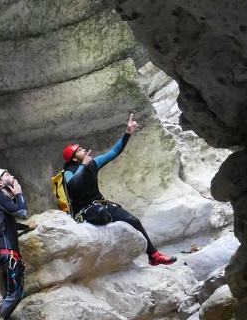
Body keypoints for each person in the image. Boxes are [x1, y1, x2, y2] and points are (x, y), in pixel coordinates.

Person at [62, 114, 177, 266]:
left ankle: (154, 255)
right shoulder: (69, 170)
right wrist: (83, 165)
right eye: (79, 150)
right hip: (84, 210)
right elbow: (73, 185)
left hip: (101, 203)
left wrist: (128, 133)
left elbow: (114, 152)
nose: (83, 149)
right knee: (101, 214)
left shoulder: (92, 164)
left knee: (134, 221)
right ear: (74, 158)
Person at [0, 168, 36, 320]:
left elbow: (6, 223)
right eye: (7, 175)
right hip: (8, 253)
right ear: (0, 182)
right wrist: (19, 194)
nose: (12, 176)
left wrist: (27, 227)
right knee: (13, 295)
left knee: (17, 294)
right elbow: (22, 213)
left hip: (9, 253)